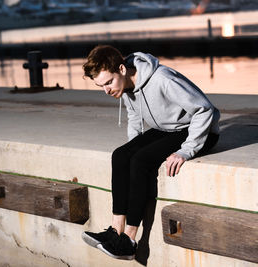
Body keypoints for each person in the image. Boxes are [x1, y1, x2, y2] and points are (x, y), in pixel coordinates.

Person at [81, 45, 220, 260]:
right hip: (168, 129)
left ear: (122, 69)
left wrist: (186, 151)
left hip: (199, 130)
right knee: (120, 155)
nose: (107, 90)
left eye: (109, 82)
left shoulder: (162, 79)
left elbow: (204, 109)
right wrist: (131, 149)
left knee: (141, 161)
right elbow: (135, 118)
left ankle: (129, 239)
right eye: (101, 86)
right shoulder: (125, 87)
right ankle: (115, 230)